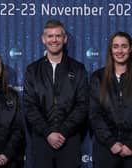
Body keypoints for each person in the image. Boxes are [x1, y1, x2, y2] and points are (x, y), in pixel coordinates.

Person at [23, 19, 88, 168]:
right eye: (50, 36)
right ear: (43, 39)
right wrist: (48, 133)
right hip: (42, 140)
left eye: (58, 36)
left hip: (69, 139)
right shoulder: (32, 70)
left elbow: (82, 105)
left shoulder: (78, 69)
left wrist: (63, 131)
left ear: (65, 39)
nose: (54, 40)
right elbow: (29, 106)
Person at [90, 32, 132, 168]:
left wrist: (130, 144)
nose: (120, 51)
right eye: (116, 46)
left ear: (130, 49)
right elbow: (94, 114)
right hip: (106, 149)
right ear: (110, 50)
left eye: (124, 46)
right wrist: (111, 142)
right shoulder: (98, 77)